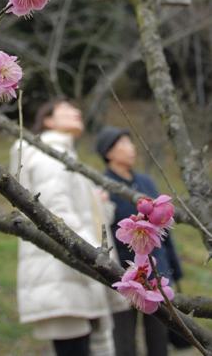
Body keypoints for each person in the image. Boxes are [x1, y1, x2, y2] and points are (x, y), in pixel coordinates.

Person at [10, 99, 128, 356]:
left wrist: (98, 202)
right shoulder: (49, 154)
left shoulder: (64, 156)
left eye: (77, 108)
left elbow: (81, 213)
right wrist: (97, 256)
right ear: (48, 121)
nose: (77, 111)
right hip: (63, 273)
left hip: (69, 272)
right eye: (66, 109)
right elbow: (58, 214)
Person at [95, 126, 183, 356]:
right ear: (108, 153)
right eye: (123, 144)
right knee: (124, 339)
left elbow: (164, 230)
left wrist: (175, 269)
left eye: (130, 143)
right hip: (125, 274)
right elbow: (102, 230)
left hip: (158, 272)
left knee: (159, 339)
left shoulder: (146, 182)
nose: (131, 148)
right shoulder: (102, 186)